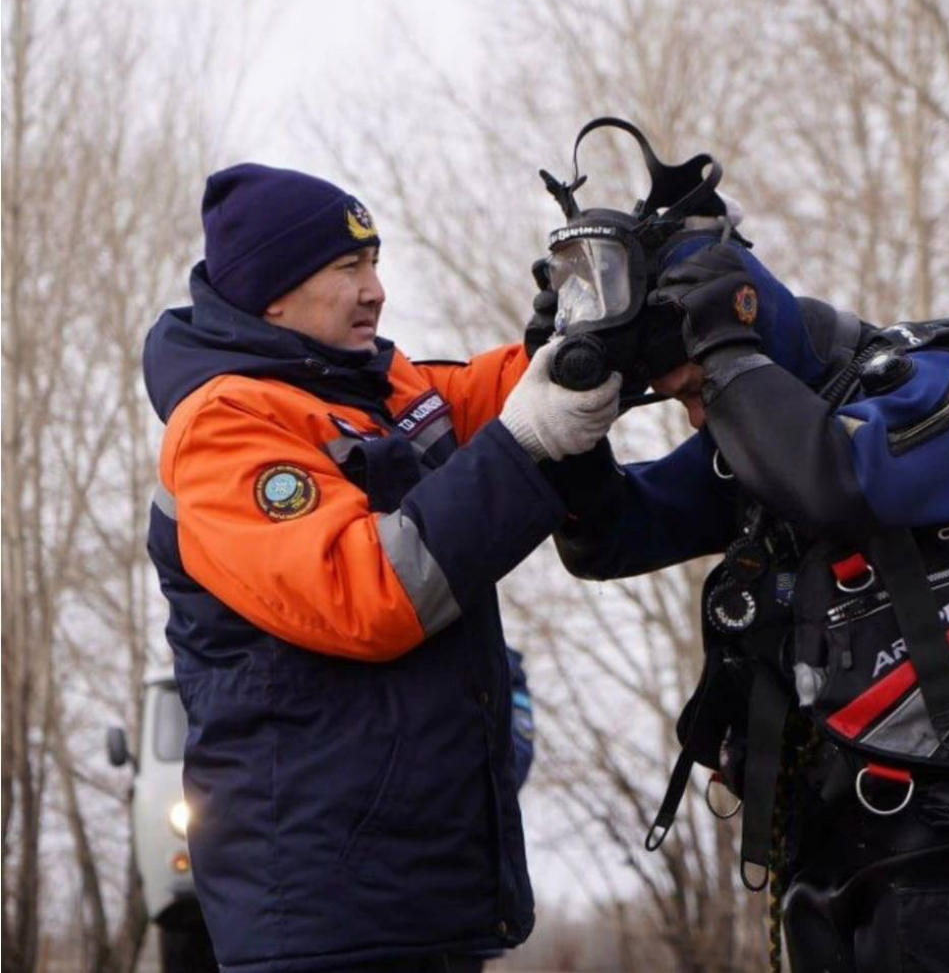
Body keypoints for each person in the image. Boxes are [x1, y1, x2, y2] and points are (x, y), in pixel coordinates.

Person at [542, 222, 949, 973]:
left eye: (697, 394)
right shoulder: (757, 443)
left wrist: (727, 351)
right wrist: (567, 420)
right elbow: (608, 540)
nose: (701, 417)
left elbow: (840, 485)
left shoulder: (931, 383)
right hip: (821, 847)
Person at [143, 163, 620, 973]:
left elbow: (484, 395)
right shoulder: (225, 427)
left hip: (415, 894)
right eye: (347, 268)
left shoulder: (375, 391)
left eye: (375, 262)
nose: (377, 291)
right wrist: (529, 438)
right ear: (272, 294)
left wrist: (587, 340)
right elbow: (365, 592)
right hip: (325, 908)